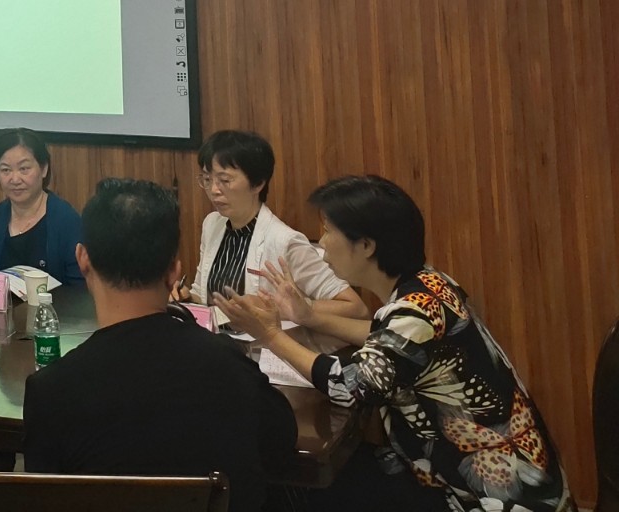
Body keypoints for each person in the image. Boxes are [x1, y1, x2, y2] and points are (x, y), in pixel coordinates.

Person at [216, 175, 572, 512]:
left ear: (366, 246)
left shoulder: (416, 310)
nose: (322, 243)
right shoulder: (428, 283)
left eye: (328, 231)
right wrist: (309, 316)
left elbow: (348, 385)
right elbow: (386, 337)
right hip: (453, 470)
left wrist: (271, 336)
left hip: (483, 493)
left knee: (307, 493)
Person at [23, 178, 298, 512]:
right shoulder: (229, 363)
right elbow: (281, 448)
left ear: (83, 259)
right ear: (173, 271)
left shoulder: (51, 390)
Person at [179, 130, 365, 328]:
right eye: (207, 180)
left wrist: (286, 306)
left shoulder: (285, 241)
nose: (214, 190)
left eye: (225, 180)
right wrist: (185, 295)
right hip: (215, 340)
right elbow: (204, 296)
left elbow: (356, 308)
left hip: (261, 345)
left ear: (258, 184)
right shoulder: (212, 224)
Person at [0, 127, 82, 284]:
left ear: (44, 169)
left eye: (24, 169)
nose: (15, 179)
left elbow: (78, 289)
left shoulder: (66, 220)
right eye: (6, 170)